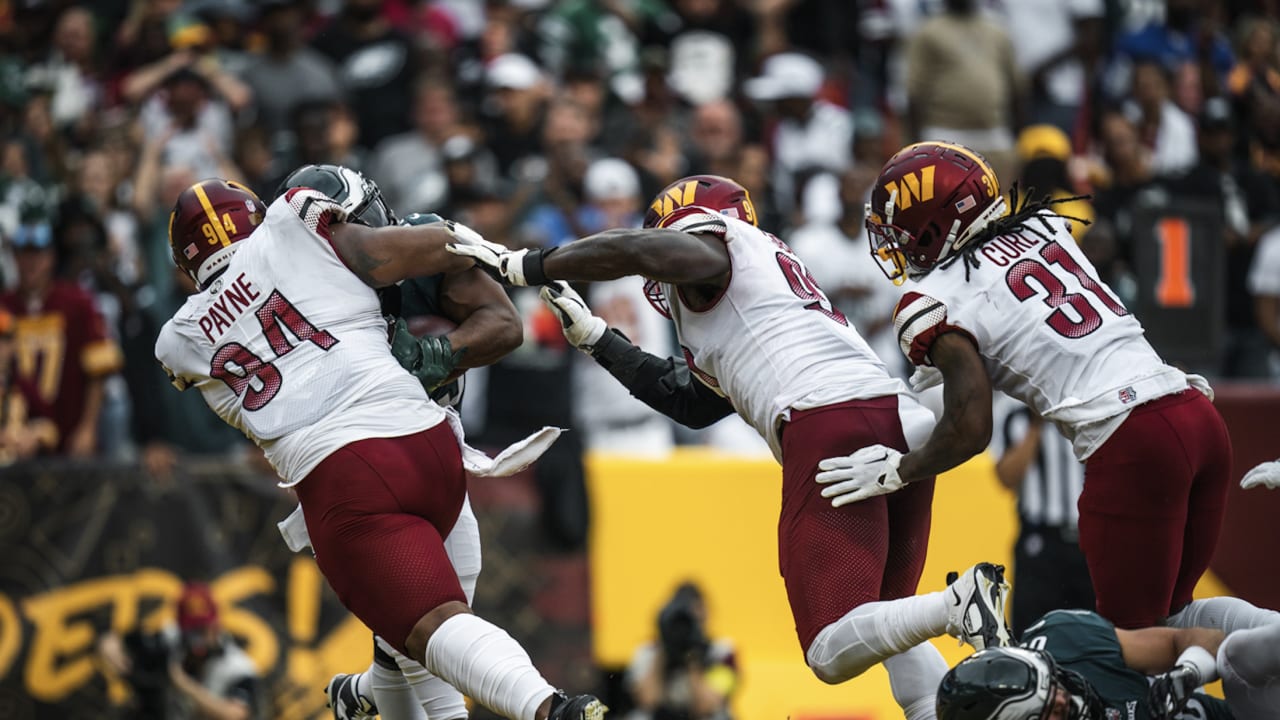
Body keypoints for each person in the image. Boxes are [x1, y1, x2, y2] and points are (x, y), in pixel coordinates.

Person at [445, 173, 1013, 720]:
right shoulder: (752, 288)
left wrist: (527, 263)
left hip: (829, 423)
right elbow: (693, 403)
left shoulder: (722, 247)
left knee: (828, 651)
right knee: (888, 624)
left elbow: (650, 252)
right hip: (893, 421)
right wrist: (597, 338)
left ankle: (955, 603)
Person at [153, 177, 604, 720]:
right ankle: (369, 692)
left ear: (184, 263)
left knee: (433, 630)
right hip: (429, 441)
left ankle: (551, 708)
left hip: (348, 479)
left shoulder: (177, 340)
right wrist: (504, 258)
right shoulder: (294, 222)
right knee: (421, 636)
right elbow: (403, 248)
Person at [815, 141, 1228, 633]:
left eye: (899, 228)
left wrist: (900, 470)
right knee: (1176, 622)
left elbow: (970, 429)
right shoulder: (1044, 224)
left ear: (931, 223)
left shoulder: (933, 299)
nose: (894, 243)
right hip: (1196, 413)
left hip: (1132, 441)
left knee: (1124, 649)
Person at [270, 163, 521, 720]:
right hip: (354, 457)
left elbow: (505, 324)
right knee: (429, 624)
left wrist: (436, 357)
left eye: (340, 231)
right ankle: (376, 694)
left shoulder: (419, 245)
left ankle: (362, 694)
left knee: (445, 608)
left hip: (429, 444)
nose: (333, 247)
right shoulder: (286, 288)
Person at [935, 607, 1280, 719]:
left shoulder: (1066, 640)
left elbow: (1195, 638)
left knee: (1234, 658)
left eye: (1053, 683)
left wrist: (1186, 673)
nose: (1060, 699)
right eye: (1049, 714)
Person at [989, 393, 1093, 636]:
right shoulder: (1012, 409)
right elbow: (1006, 477)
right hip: (1041, 543)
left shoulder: (1092, 399)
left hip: (1092, 541)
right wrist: (1036, 424)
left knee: (1095, 637)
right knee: (1032, 636)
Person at [98, 581, 261, 720]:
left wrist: (183, 684)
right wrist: (111, 645)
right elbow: (118, 639)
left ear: (216, 626)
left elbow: (235, 714)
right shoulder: (173, 638)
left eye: (202, 629)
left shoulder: (238, 666)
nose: (197, 638)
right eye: (191, 630)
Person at [625, 582, 737, 720]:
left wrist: (692, 657)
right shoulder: (648, 651)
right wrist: (664, 649)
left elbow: (706, 705)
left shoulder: (721, 652)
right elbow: (648, 701)